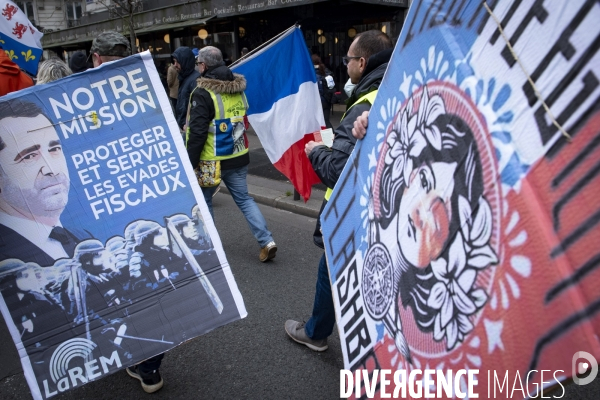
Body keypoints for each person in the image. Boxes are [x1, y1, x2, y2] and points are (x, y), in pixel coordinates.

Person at [285, 30, 393, 351]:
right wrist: (337, 140)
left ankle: (317, 333)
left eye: (347, 59)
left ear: (362, 62)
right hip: (380, 207)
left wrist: (316, 150)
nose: (344, 65)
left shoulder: (365, 101)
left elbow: (337, 171)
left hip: (352, 211)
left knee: (331, 270)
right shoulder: (391, 89)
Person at [87, 31, 165, 394]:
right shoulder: (147, 94)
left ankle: (131, 353)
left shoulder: (77, 101)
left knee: (121, 281)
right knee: (146, 281)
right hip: (147, 202)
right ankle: (149, 363)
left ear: (96, 58)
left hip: (104, 209)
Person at [186, 46, 277, 262]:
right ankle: (266, 241)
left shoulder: (202, 92)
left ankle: (211, 247)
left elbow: (198, 133)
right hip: (238, 155)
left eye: (199, 63)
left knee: (205, 201)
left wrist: (190, 162)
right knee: (244, 199)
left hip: (211, 159)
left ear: (204, 66)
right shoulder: (238, 88)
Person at [171, 46, 200, 130]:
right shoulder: (185, 78)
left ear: (185, 62)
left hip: (188, 128)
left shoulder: (194, 80)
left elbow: (196, 108)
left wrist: (187, 125)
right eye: (174, 62)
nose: (175, 65)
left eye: (177, 62)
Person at [312, 54, 335, 129]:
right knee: (326, 121)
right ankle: (331, 138)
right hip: (327, 100)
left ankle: (326, 138)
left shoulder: (312, 73)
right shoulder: (325, 70)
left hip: (317, 102)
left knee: (317, 123)